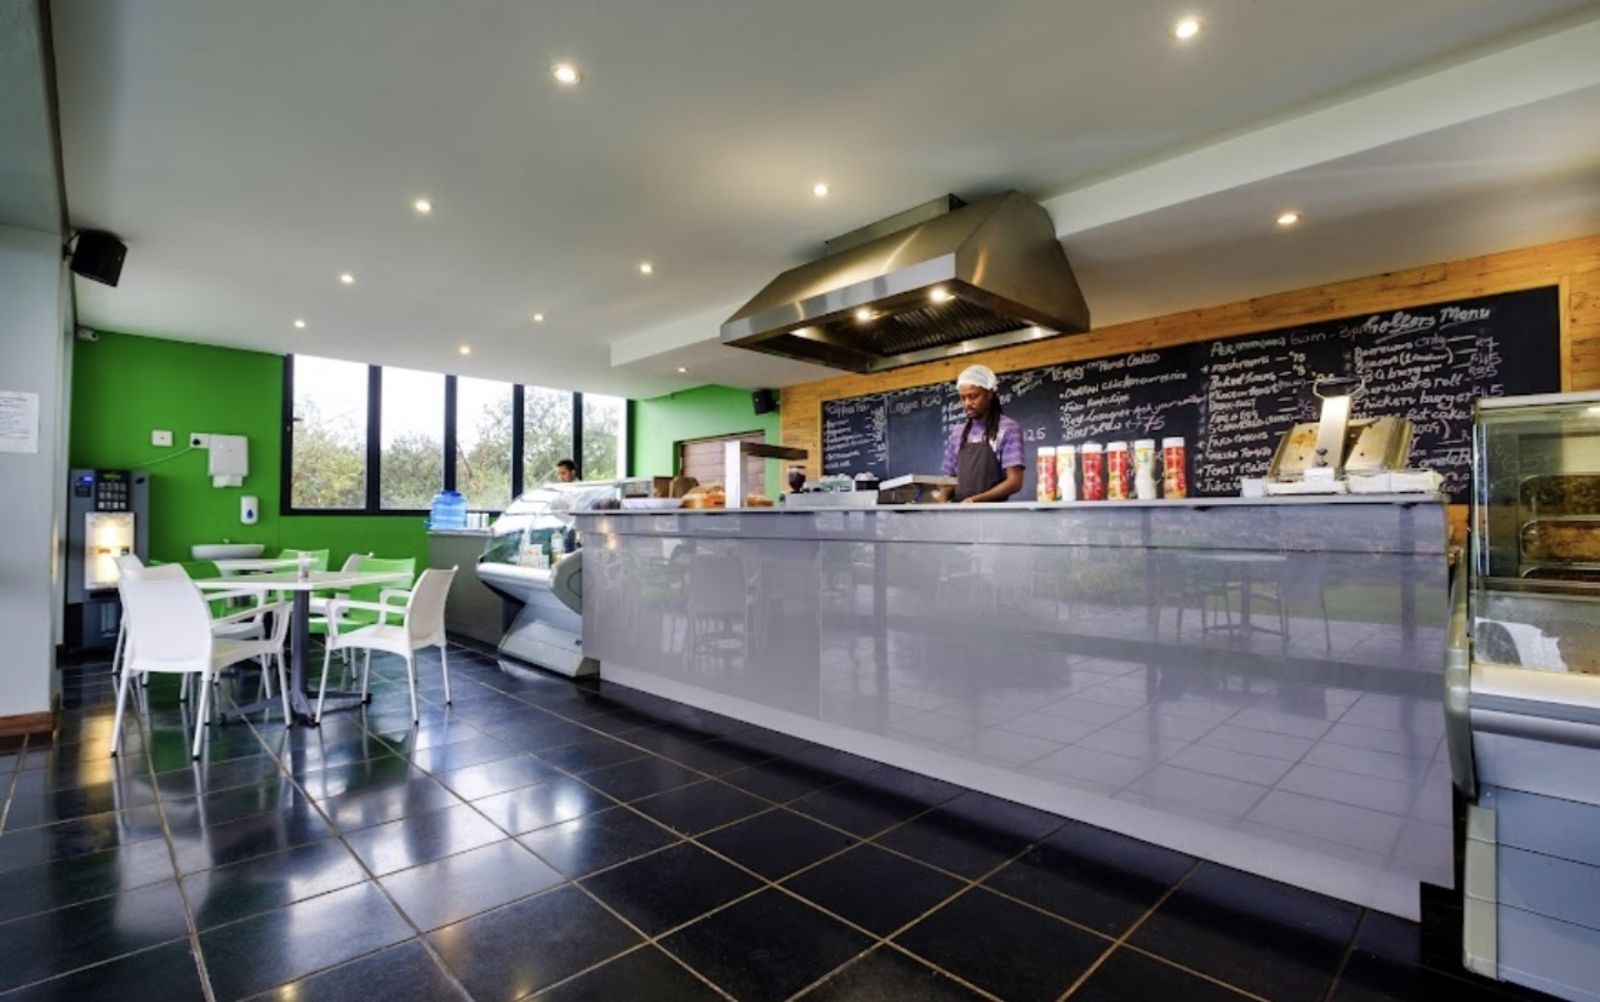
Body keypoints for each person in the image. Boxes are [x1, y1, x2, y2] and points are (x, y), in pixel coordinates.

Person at [939, 364, 1024, 503]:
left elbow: (1015, 481)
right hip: (958, 512)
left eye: (973, 396)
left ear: (989, 393)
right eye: (962, 398)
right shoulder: (957, 434)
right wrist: (941, 500)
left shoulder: (1008, 428)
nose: (967, 403)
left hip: (992, 513)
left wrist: (975, 501)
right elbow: (948, 481)